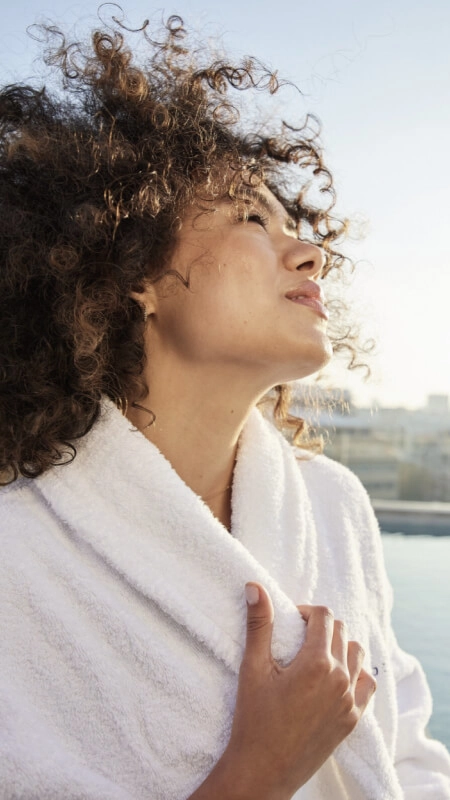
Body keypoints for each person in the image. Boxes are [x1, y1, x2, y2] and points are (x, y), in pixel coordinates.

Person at [0, 12, 449, 800]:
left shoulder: (331, 504)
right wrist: (258, 773)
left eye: (296, 226)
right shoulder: (18, 553)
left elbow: (410, 756)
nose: (310, 252)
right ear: (132, 272)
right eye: (250, 216)